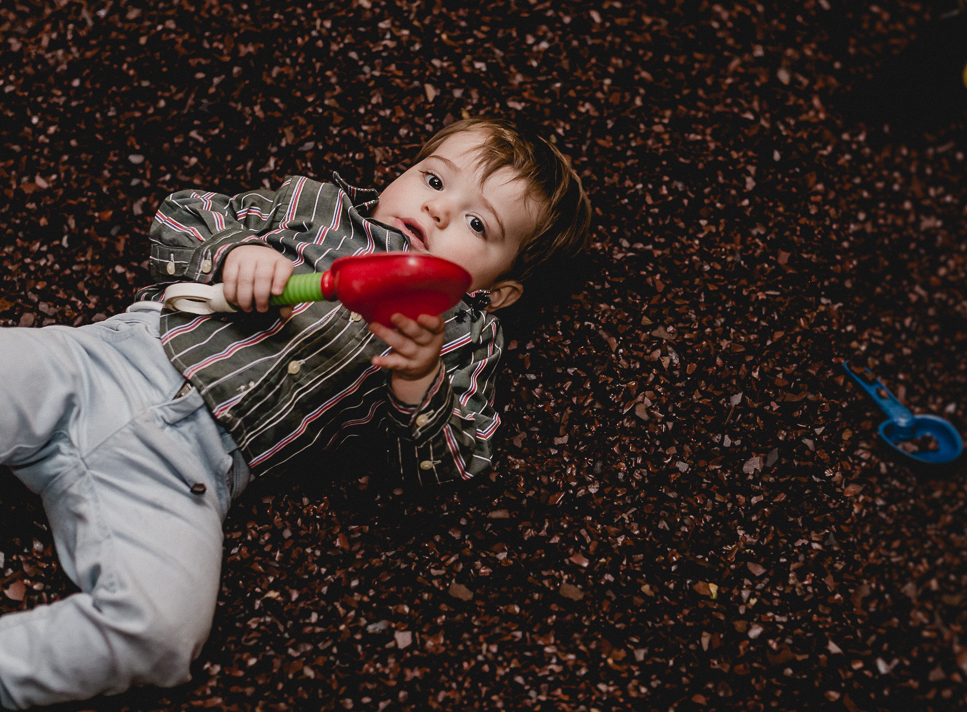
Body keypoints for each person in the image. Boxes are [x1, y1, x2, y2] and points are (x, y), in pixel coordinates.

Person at [0, 116, 591, 709]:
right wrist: (235, 252)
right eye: (434, 181)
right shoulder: (319, 208)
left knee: (161, 632)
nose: (438, 211)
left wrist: (418, 380)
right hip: (106, 364)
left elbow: (455, 465)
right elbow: (181, 213)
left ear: (499, 291)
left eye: (475, 223)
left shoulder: (459, 335)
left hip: (188, 470)